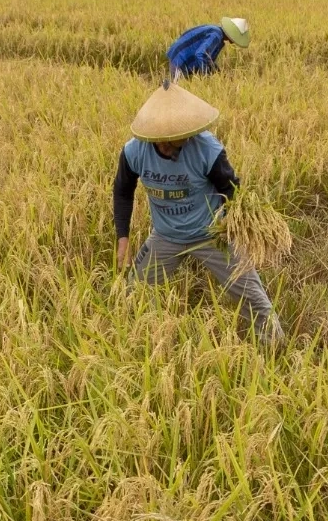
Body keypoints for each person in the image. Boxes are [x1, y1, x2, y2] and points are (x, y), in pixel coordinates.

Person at [113, 83, 282, 344]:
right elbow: (123, 192)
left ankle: (275, 348)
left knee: (254, 299)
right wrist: (123, 239)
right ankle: (134, 345)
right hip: (166, 236)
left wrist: (238, 231)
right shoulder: (134, 152)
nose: (171, 149)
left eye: (178, 141)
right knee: (134, 294)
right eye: (166, 143)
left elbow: (233, 192)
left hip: (210, 234)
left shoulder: (207, 150)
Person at [165, 17, 251, 80]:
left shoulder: (217, 34)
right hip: (180, 58)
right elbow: (200, 54)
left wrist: (219, 73)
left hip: (181, 55)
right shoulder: (216, 35)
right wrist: (206, 77)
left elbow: (208, 59)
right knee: (177, 92)